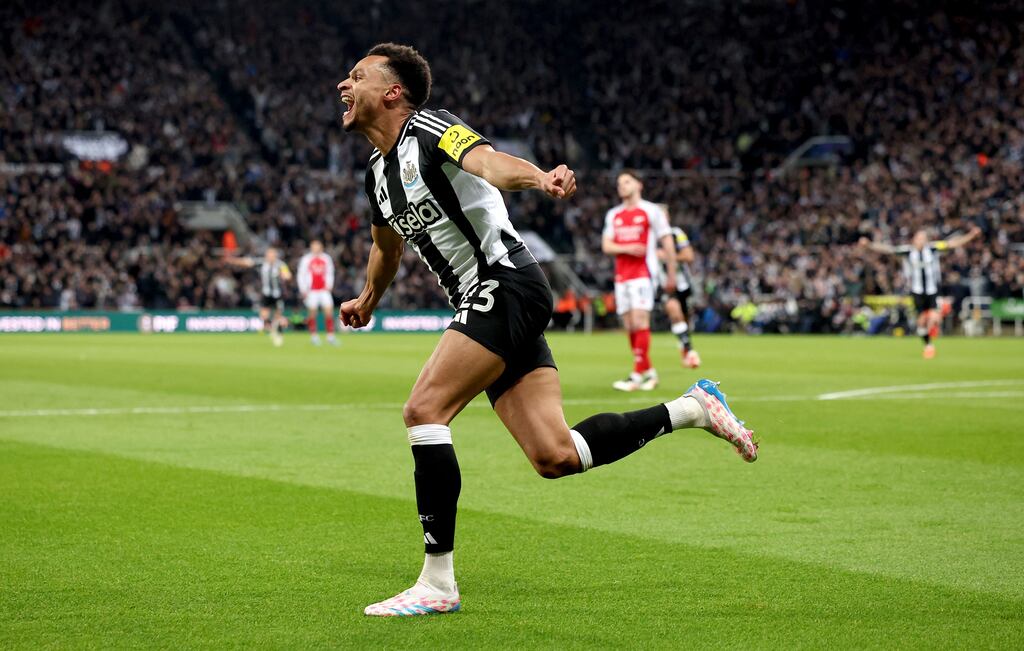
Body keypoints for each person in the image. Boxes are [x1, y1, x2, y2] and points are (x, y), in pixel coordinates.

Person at [336, 42, 758, 618]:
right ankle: (690, 409)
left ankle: (437, 585)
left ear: (392, 92)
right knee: (556, 455)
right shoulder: (377, 176)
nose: (344, 84)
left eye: (357, 76)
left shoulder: (429, 128)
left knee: (423, 411)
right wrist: (367, 297)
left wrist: (540, 179)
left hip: (503, 285)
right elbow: (385, 248)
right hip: (492, 300)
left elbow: (488, 161)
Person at [601, 172, 677, 391]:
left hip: (644, 273)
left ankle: (636, 376)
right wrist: (627, 248)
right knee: (630, 325)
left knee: (641, 321)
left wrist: (671, 272)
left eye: (626, 182)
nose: (621, 186)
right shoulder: (613, 214)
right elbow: (607, 246)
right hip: (621, 276)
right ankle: (650, 373)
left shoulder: (651, 211)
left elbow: (667, 241)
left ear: (639, 185)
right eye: (619, 183)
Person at [859, 226, 981, 358]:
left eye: (924, 238)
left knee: (934, 317)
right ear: (914, 240)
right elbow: (888, 249)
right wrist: (869, 244)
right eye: (919, 238)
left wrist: (970, 235)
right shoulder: (907, 251)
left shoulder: (933, 248)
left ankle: (935, 322)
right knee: (921, 323)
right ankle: (928, 345)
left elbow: (952, 243)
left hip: (933, 290)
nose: (922, 241)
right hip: (916, 292)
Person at [226, 247, 292, 347]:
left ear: (275, 256)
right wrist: (234, 261)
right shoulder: (262, 263)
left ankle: (279, 335)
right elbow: (247, 262)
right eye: (269, 255)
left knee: (278, 316)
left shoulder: (280, 265)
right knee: (264, 316)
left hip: (278, 294)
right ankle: (272, 329)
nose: (270, 257)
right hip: (266, 294)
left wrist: (285, 275)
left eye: (272, 255)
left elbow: (288, 274)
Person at [659, 220, 701, 368]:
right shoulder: (649, 236)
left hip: (683, 284)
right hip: (662, 285)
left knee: (684, 320)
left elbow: (689, 256)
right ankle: (690, 352)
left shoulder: (676, 233)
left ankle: (684, 347)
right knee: (674, 312)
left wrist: (668, 256)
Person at [297, 240, 339, 346]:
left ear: (321, 247)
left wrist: (330, 285)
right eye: (313, 246)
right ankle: (314, 336)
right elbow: (301, 275)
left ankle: (330, 336)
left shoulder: (326, 258)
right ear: (311, 248)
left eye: (317, 246)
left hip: (324, 290)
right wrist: (303, 289)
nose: (315, 248)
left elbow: (330, 272)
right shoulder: (306, 259)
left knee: (329, 311)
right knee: (312, 313)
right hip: (311, 291)